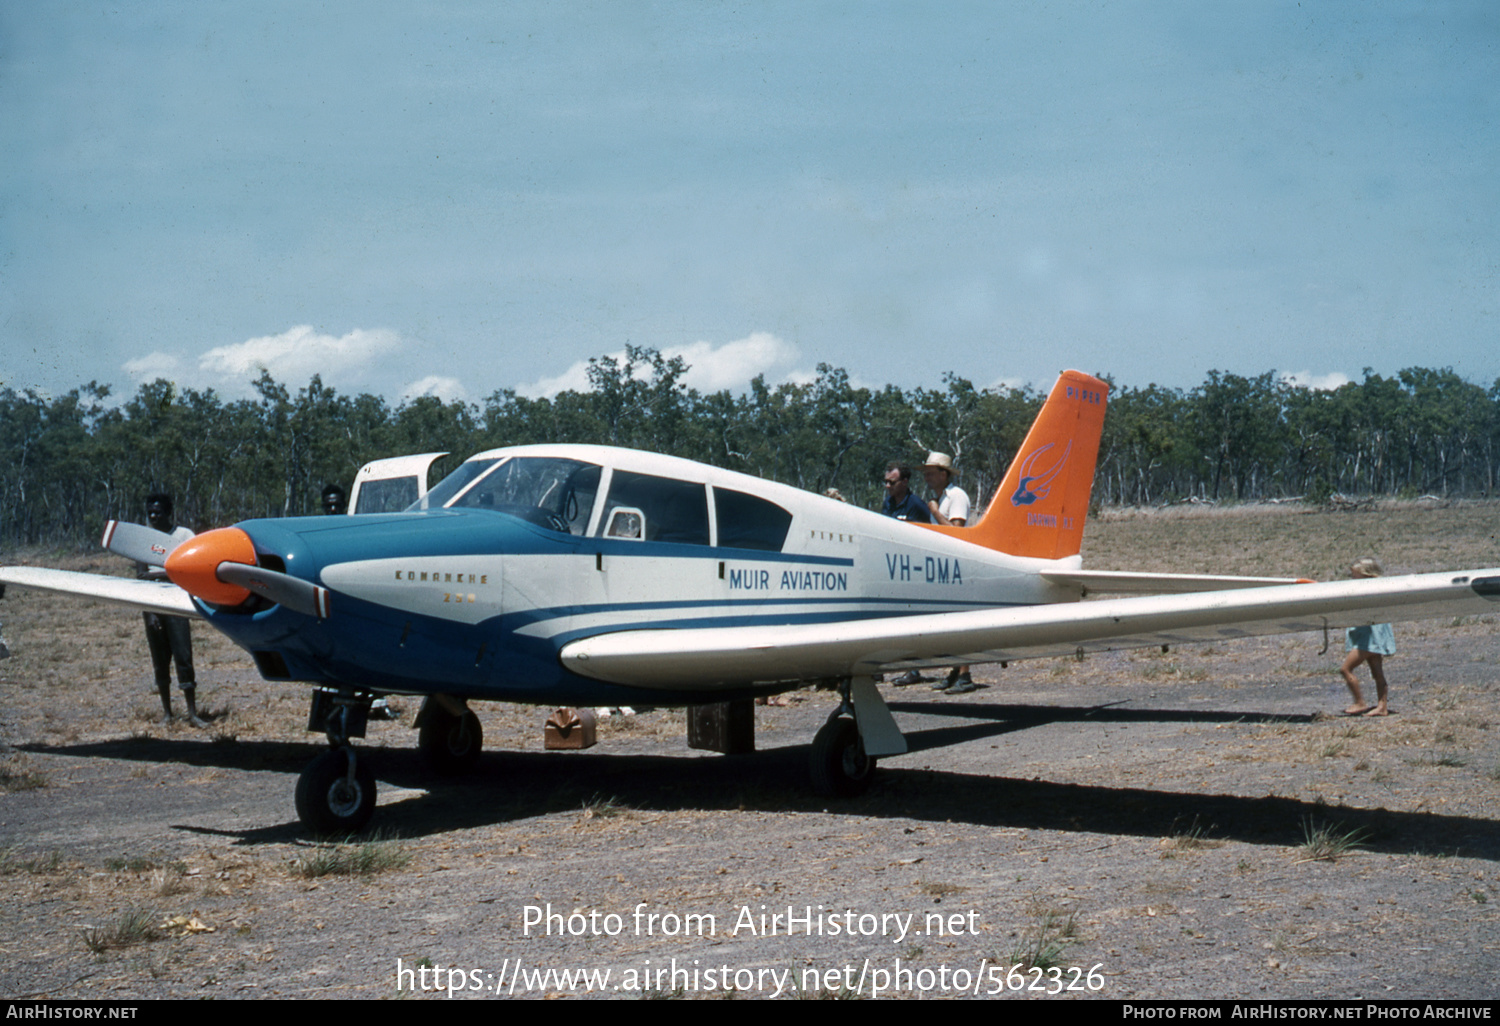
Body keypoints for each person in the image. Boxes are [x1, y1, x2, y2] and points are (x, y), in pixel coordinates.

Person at [139, 494, 206, 726]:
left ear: (169, 513)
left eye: (158, 512)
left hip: (177, 601)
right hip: (153, 603)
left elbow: (192, 567)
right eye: (150, 513)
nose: (154, 516)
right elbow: (141, 576)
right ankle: (167, 713)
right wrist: (150, 612)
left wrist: (161, 574)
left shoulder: (184, 536)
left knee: (183, 656)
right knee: (160, 659)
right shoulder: (144, 539)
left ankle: (192, 713)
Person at [922, 452, 977, 693]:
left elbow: (957, 532)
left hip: (956, 564)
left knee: (958, 619)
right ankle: (955, 671)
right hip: (942, 564)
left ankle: (965, 675)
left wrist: (934, 512)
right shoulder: (940, 497)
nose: (926, 477)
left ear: (944, 474)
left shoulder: (956, 496)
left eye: (931, 473)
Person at [1341, 557, 1395, 717]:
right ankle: (1382, 706)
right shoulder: (1373, 590)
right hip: (1372, 638)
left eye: (1355, 575)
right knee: (1377, 672)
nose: (1353, 579)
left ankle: (1360, 702)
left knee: (1345, 669)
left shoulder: (1369, 590)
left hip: (1368, 639)